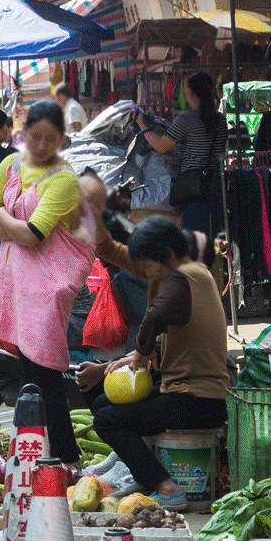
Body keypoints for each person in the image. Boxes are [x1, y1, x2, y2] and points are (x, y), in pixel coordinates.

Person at [0, 99, 94, 466]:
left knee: (45, 371)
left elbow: (34, 234)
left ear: (60, 140)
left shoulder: (62, 179)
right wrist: (5, 221)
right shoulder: (10, 165)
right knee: (29, 372)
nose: (40, 146)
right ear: (22, 135)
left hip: (48, 287)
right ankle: (38, 451)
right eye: (34, 137)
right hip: (15, 281)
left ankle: (64, 456)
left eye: (49, 139)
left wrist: (2, 216)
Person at [83, 212, 229, 507]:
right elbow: (110, 250)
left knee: (108, 420)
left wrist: (140, 351)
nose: (145, 272)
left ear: (163, 255)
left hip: (198, 399)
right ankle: (141, 471)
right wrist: (96, 209)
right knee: (103, 403)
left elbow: (155, 316)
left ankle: (166, 489)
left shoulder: (184, 278)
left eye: (148, 264)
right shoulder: (186, 272)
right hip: (187, 394)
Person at [146, 70, 230, 238]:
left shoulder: (187, 120)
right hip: (216, 184)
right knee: (214, 236)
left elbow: (161, 146)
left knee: (194, 239)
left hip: (193, 189)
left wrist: (143, 128)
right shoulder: (220, 119)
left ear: (191, 94)